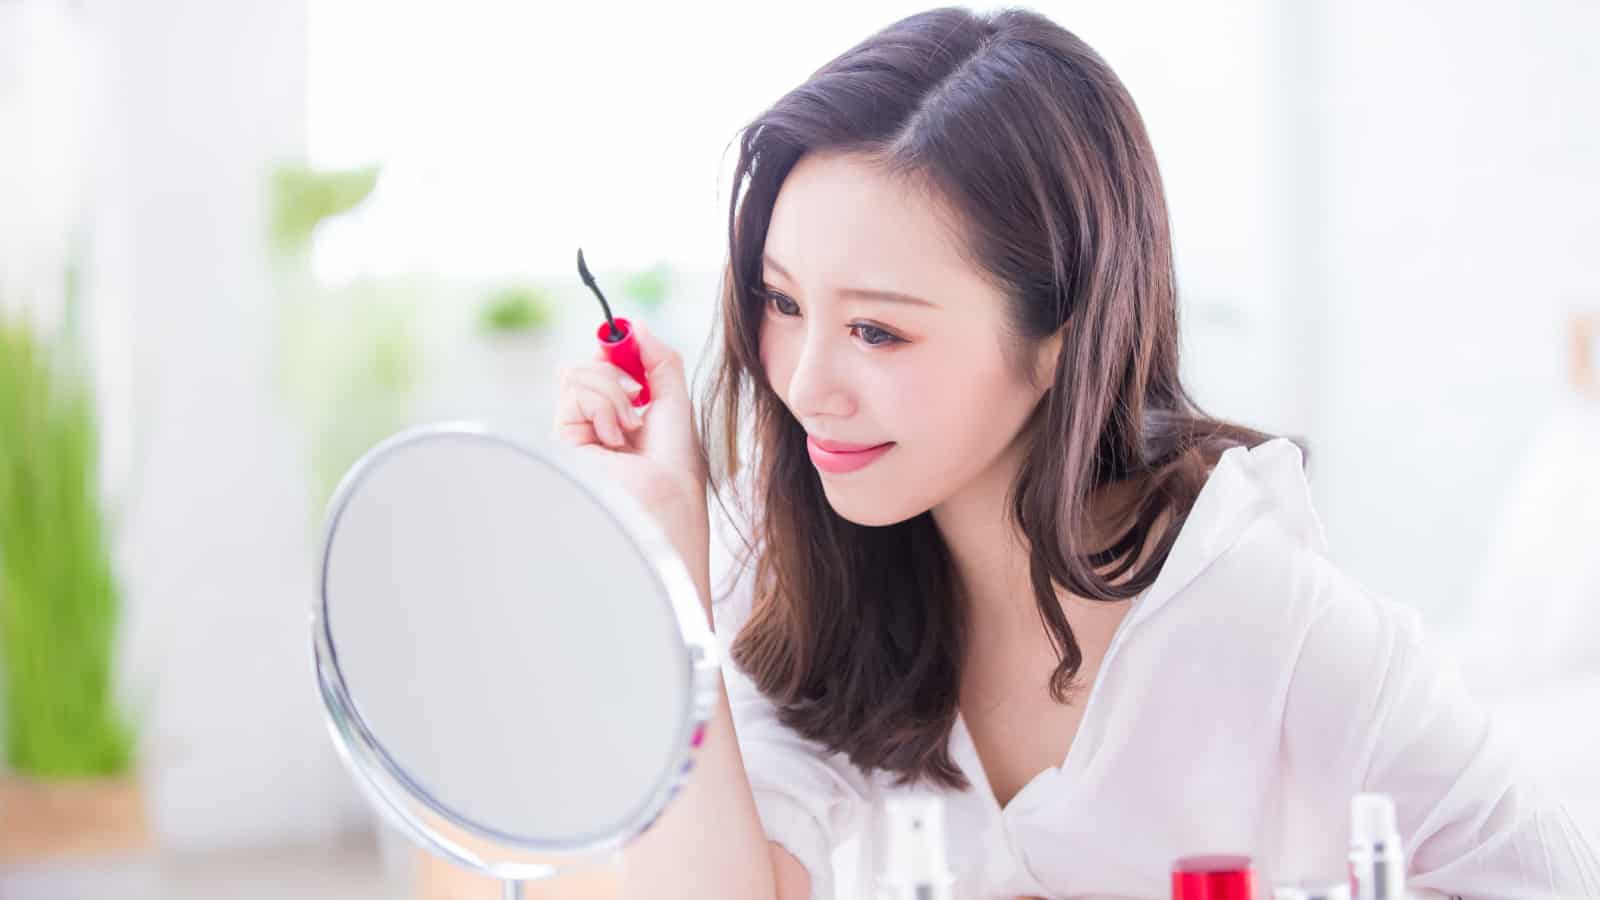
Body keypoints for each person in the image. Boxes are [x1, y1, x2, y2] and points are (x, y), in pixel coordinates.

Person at [552, 7, 1600, 899]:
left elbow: (1542, 870)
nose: (804, 381)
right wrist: (663, 561)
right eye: (782, 303)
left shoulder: (1259, 615)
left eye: (878, 330)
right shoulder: (787, 565)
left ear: (1059, 335)